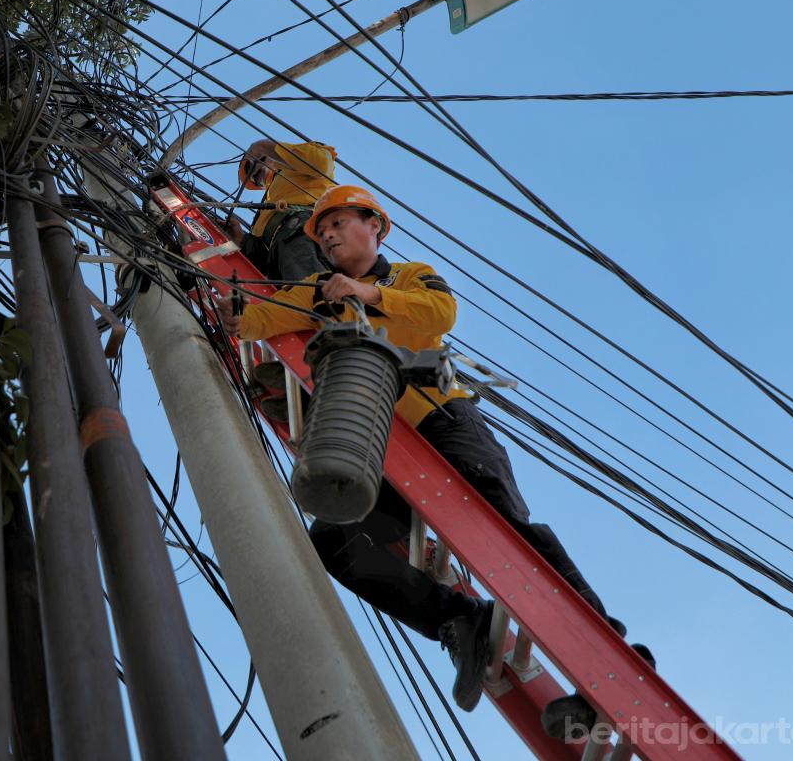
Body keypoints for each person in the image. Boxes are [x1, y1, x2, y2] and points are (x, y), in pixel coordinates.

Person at [215, 184, 636, 721]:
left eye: (337, 225)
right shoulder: (317, 291)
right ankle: (459, 619)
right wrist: (236, 315)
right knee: (336, 542)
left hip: (442, 419)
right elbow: (262, 317)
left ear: (375, 226)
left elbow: (440, 314)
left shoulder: (408, 276)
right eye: (320, 234)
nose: (326, 238)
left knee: (506, 534)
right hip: (380, 441)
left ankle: (602, 657)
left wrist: (368, 296)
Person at [231, 139, 336, 284]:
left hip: (303, 229)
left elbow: (321, 163)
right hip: (282, 257)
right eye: (256, 180)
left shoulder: (296, 165)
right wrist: (240, 238)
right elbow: (263, 258)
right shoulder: (268, 206)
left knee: (308, 293)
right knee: (292, 298)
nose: (255, 175)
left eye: (252, 168)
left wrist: (263, 146)